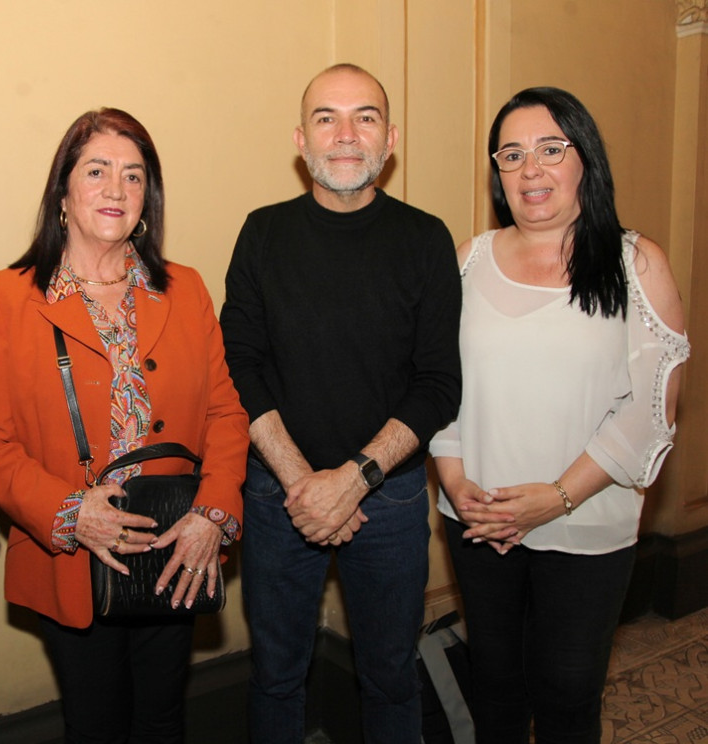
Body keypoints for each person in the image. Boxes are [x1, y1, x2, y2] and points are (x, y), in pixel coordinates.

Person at [0, 107, 249, 744]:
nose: (116, 188)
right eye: (96, 171)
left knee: (163, 721)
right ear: (63, 192)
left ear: (148, 198)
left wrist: (212, 514)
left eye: (133, 175)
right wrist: (71, 513)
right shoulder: (5, 297)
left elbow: (226, 414)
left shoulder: (186, 289)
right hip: (74, 556)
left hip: (177, 546)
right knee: (95, 726)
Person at [430, 87, 689, 743]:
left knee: (570, 695)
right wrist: (456, 484)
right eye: (511, 154)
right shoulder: (469, 259)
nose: (530, 169)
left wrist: (556, 497)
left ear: (585, 159)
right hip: (480, 520)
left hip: (585, 524)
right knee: (495, 688)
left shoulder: (635, 263)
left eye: (551, 149)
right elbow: (441, 385)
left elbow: (650, 412)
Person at [219, 63, 462, 743]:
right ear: (302, 139)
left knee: (390, 679)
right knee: (276, 676)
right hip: (278, 494)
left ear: (391, 138)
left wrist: (354, 480)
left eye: (366, 117)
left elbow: (439, 382)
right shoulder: (263, 232)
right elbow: (239, 363)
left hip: (389, 499)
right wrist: (302, 481)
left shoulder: (425, 238)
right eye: (327, 118)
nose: (346, 134)